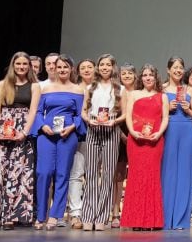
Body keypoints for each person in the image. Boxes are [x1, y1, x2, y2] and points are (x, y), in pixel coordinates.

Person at [0, 52, 40, 229]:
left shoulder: (34, 86)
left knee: (17, 173)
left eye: (25, 64)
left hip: (22, 131)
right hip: (3, 128)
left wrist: (25, 132)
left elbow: (33, 111)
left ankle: (11, 217)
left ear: (29, 66)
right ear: (13, 65)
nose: (21, 67)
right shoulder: (3, 84)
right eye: (18, 64)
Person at [31, 55, 84, 231]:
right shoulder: (45, 89)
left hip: (67, 135)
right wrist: (42, 125)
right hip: (46, 134)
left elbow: (79, 115)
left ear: (71, 70)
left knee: (62, 174)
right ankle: (41, 215)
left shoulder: (77, 90)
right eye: (59, 67)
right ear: (54, 68)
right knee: (43, 172)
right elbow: (37, 112)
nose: (62, 70)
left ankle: (55, 215)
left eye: (65, 67)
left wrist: (71, 128)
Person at [80, 54, 126, 231]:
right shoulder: (91, 87)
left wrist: (114, 121)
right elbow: (83, 111)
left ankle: (102, 216)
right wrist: (88, 120)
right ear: (98, 67)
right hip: (93, 130)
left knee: (108, 175)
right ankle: (88, 215)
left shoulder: (119, 89)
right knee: (91, 173)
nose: (105, 67)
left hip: (111, 131)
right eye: (102, 64)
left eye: (108, 64)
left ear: (113, 67)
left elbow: (124, 114)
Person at [121, 64, 168, 230]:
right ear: (141, 78)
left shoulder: (162, 96)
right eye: (145, 75)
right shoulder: (133, 94)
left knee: (151, 178)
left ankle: (151, 221)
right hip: (136, 141)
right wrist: (132, 132)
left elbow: (165, 119)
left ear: (156, 78)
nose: (148, 78)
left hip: (154, 141)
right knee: (136, 178)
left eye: (151, 75)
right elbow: (128, 115)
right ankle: (135, 220)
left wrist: (159, 133)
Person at [161, 57, 192, 230]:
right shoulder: (162, 89)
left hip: (187, 130)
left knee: (184, 172)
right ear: (168, 70)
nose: (178, 70)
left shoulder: (190, 89)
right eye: (174, 67)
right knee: (168, 171)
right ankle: (166, 217)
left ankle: (181, 218)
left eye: (181, 67)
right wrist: (167, 108)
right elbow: (155, 113)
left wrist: (188, 108)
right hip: (169, 128)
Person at [65, 58, 94, 229]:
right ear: (78, 70)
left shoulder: (101, 88)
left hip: (99, 135)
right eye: (83, 67)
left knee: (93, 176)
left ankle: (91, 211)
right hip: (78, 135)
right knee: (76, 174)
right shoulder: (74, 89)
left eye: (90, 67)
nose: (86, 70)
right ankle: (76, 213)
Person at [110, 63, 138, 228]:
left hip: (139, 136)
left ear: (135, 75)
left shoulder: (140, 92)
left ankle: (133, 211)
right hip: (119, 136)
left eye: (129, 73)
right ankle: (115, 213)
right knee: (119, 176)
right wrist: (122, 136)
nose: (126, 76)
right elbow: (113, 115)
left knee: (135, 175)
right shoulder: (116, 92)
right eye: (123, 73)